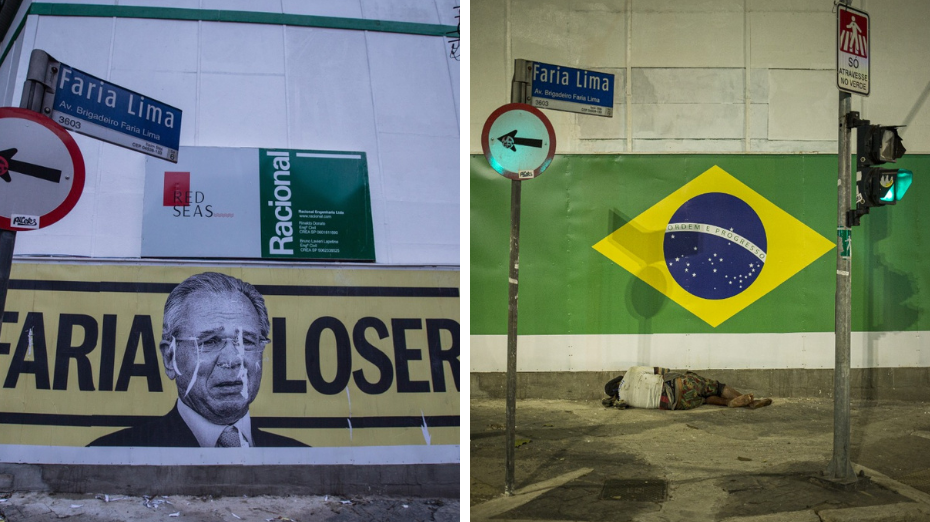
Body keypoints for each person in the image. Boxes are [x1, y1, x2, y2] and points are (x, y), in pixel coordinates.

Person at [89, 272, 307, 447]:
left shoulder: (300, 458)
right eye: (210, 342)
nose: (232, 359)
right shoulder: (114, 453)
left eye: (247, 341)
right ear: (170, 357)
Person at [603, 366, 772, 410]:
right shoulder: (632, 371)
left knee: (705, 399)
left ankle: (729, 403)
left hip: (676, 405)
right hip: (677, 386)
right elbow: (664, 372)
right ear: (619, 381)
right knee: (714, 386)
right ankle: (750, 402)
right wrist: (686, 377)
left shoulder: (626, 400)